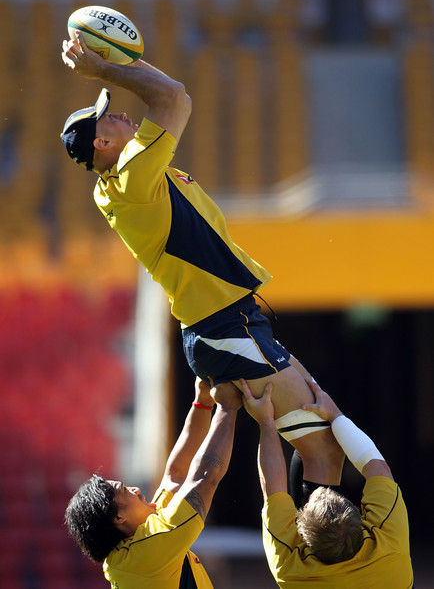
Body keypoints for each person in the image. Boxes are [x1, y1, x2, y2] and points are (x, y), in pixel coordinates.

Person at [60, 33, 344, 487]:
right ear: (102, 143)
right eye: (107, 116)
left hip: (228, 322)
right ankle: (312, 534)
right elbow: (172, 97)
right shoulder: (133, 175)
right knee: (324, 449)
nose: (120, 112)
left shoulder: (126, 176)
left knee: (320, 436)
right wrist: (105, 69)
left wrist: (127, 59)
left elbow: (179, 96)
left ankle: (307, 528)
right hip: (223, 327)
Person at [65, 377, 242, 587]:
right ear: (118, 517)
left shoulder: (136, 546)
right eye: (124, 490)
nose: (135, 489)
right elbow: (206, 477)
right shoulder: (147, 552)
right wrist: (228, 407)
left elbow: (175, 474)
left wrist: (202, 401)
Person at [240, 377, 414, 588]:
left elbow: (377, 468)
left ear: (303, 537)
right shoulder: (290, 572)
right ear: (360, 521)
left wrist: (335, 415)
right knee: (326, 455)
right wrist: (265, 419)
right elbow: (272, 489)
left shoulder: (393, 549)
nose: (320, 491)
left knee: (321, 456)